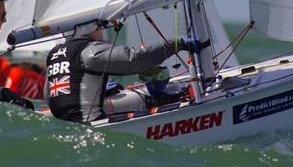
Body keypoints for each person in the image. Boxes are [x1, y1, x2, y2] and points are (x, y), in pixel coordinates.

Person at [45, 21, 209, 124]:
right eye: (99, 26)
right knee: (153, 98)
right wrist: (176, 45)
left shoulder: (55, 53)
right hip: (90, 125)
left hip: (63, 125)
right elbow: (134, 60)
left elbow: (50, 94)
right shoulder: (89, 51)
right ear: (89, 28)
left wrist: (95, 89)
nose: (101, 30)